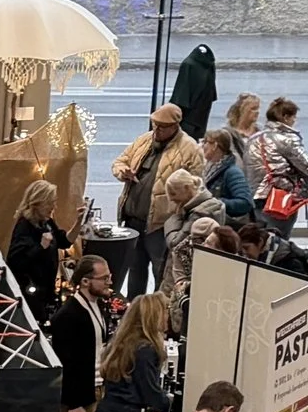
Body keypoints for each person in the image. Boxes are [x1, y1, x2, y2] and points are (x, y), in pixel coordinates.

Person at [109, 103, 204, 297]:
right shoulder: (144, 140)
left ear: (175, 126)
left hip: (162, 224)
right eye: (154, 125)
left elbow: (195, 187)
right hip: (134, 220)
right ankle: (134, 306)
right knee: (135, 269)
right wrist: (122, 171)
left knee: (160, 271)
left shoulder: (190, 149)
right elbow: (119, 161)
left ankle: (157, 308)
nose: (156, 130)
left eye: (162, 127)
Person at [88, 293, 174, 412]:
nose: (167, 316)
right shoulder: (146, 350)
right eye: (165, 311)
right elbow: (149, 392)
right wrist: (168, 403)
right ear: (154, 316)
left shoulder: (122, 343)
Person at [257, 97, 308, 237]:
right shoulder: (287, 139)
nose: (295, 121)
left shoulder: (257, 137)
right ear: (285, 117)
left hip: (258, 195)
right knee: (279, 238)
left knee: (260, 237)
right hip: (280, 197)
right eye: (293, 117)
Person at [50, 255, 111, 412]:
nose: (109, 282)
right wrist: (74, 404)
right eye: (104, 278)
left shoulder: (97, 306)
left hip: (97, 389)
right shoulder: (68, 315)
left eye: (109, 277)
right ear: (85, 281)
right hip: (80, 398)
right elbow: (66, 362)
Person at [6, 179, 70, 324]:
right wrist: (41, 247)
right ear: (38, 203)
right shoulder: (24, 226)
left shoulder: (46, 222)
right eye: (50, 203)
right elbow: (15, 262)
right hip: (30, 294)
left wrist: (79, 222)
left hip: (46, 290)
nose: (53, 207)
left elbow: (63, 241)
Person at [234, 220, 308, 280]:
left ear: (260, 242)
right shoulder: (267, 253)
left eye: (246, 248)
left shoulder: (288, 260)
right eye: (241, 250)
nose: (244, 253)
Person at [203, 129, 256, 223]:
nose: (203, 146)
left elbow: (245, 203)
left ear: (215, 145)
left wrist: (215, 203)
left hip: (225, 225)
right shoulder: (209, 169)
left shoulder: (232, 172)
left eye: (206, 142)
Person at [223, 93, 268, 191]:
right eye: (253, 109)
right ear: (242, 110)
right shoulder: (227, 135)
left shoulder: (262, 133)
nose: (257, 112)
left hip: (260, 184)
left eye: (258, 108)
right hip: (237, 182)